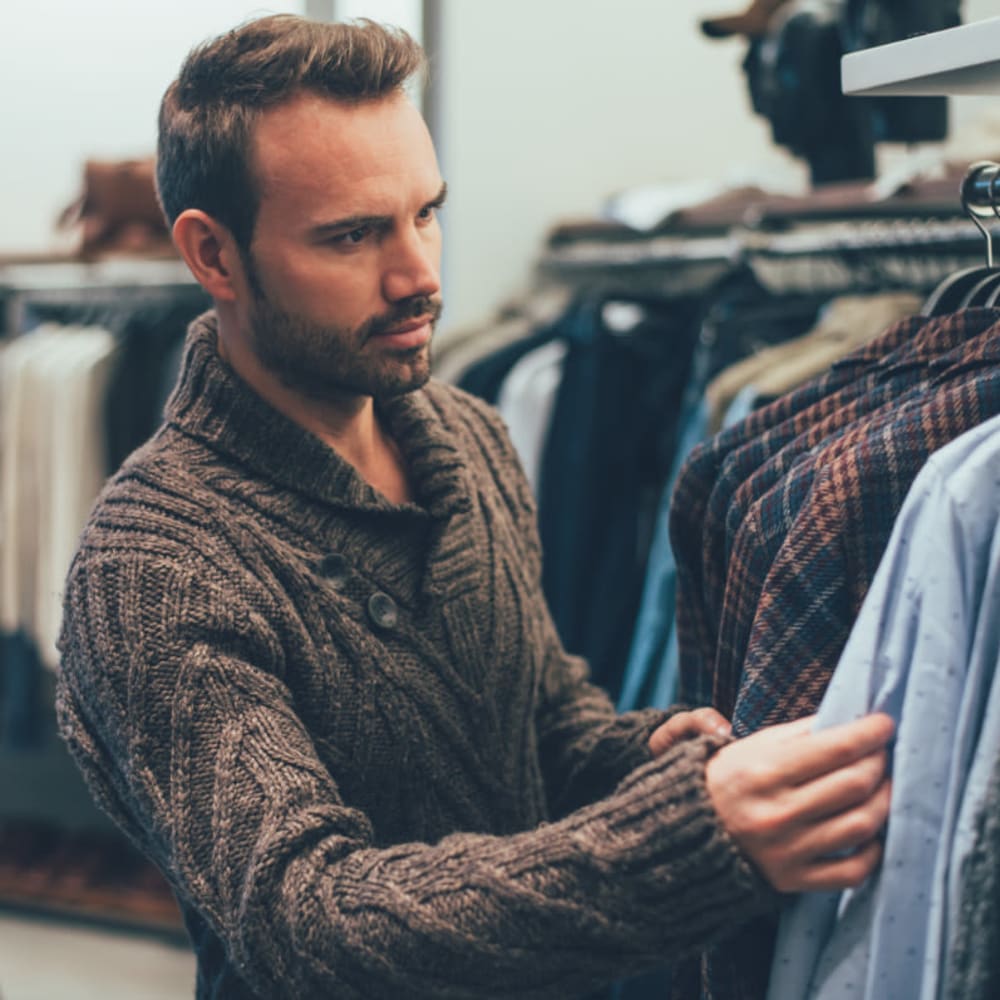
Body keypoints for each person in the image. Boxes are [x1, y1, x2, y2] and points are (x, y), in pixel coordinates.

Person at [56, 15, 894, 1000]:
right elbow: (304, 918)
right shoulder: (155, 561)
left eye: (425, 213)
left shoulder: (463, 436)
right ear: (215, 255)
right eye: (353, 235)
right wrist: (688, 840)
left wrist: (656, 756)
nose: (419, 275)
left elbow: (543, 729)